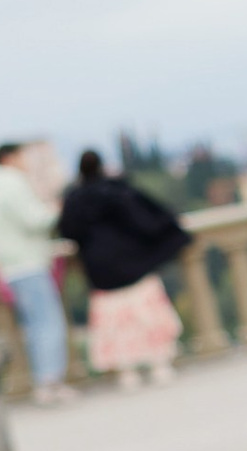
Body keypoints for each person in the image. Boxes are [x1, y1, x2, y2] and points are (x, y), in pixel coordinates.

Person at [55, 150, 188, 383]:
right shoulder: (117, 191)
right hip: (134, 263)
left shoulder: (75, 199)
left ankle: (127, 372)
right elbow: (146, 221)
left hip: (101, 271)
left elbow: (67, 230)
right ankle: (159, 365)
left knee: (115, 325)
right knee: (147, 317)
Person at [0, 140, 76, 402]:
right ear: (9, 158)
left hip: (9, 266)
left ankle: (44, 380)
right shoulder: (13, 184)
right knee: (48, 323)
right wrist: (55, 209)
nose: (26, 163)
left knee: (34, 325)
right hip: (29, 262)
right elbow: (34, 220)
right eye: (22, 157)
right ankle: (50, 381)